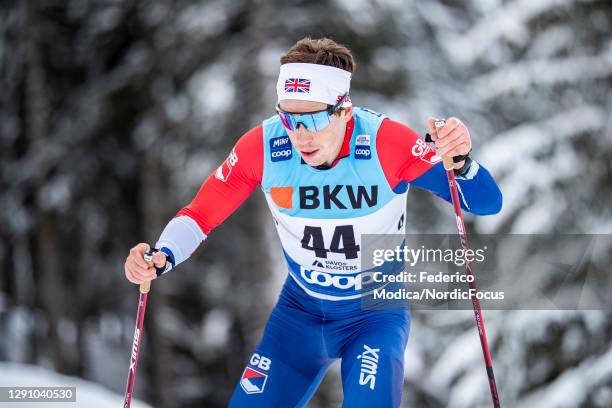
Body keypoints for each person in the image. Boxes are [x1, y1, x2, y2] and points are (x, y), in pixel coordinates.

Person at [124, 37, 502, 407]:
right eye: (287, 117)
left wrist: (462, 162)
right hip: (301, 314)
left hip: (374, 314)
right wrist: (160, 255)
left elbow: (485, 202)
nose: (299, 134)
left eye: (314, 118)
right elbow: (201, 214)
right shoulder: (264, 148)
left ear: (343, 110)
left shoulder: (386, 144)